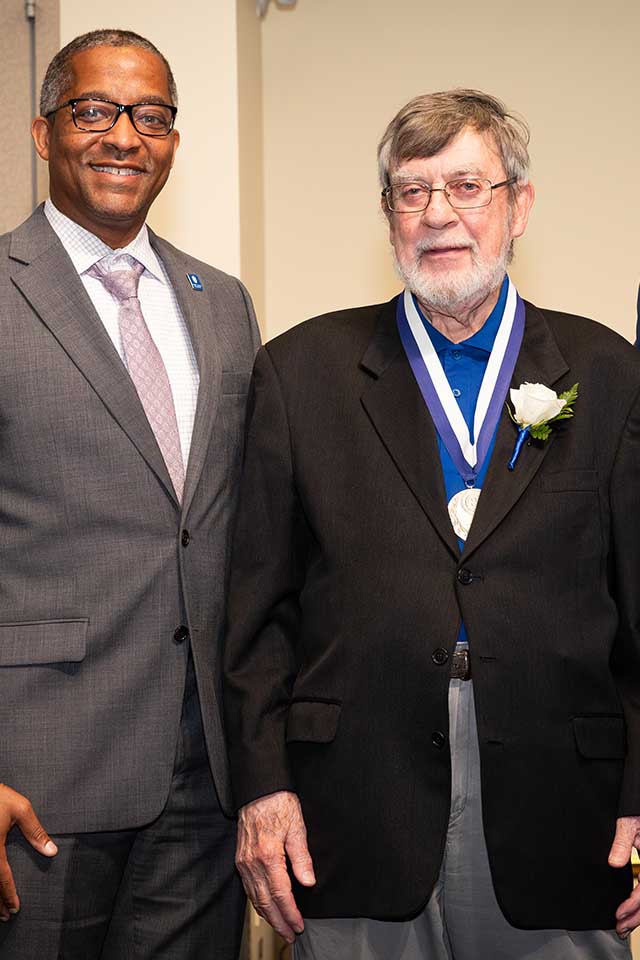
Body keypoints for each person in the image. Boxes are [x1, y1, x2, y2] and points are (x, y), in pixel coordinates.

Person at [223, 89, 640, 959]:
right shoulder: (301, 371)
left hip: (563, 807)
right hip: (351, 803)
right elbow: (258, 615)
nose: (437, 213)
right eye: (411, 191)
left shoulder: (607, 371)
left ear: (519, 205)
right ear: (388, 216)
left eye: (466, 186)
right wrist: (263, 787)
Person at [0, 28, 259, 959]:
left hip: (205, 782)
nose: (123, 135)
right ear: (44, 132)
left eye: (150, 116)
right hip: (34, 780)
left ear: (173, 143)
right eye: (94, 110)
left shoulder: (222, 301)